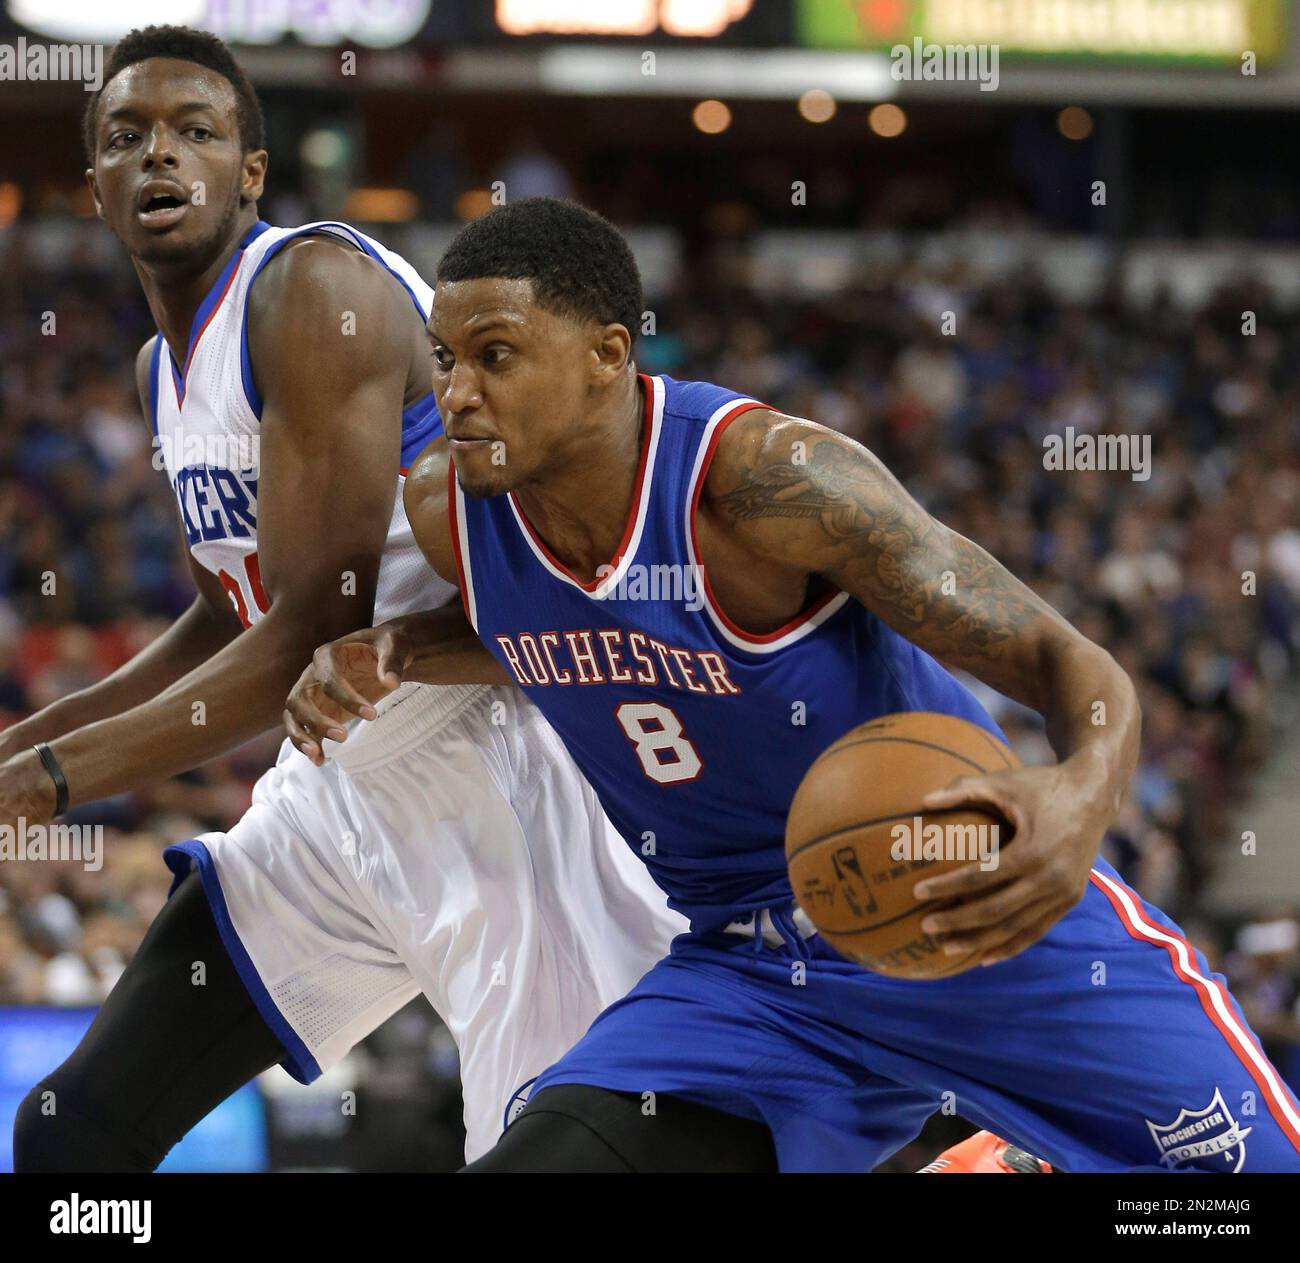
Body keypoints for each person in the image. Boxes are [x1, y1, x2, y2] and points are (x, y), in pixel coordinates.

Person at [289, 197, 1300, 1173]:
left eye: (494, 357)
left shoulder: (769, 483)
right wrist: (398, 646)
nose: (457, 394)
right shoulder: (452, 513)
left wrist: (1080, 799)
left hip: (971, 910)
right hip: (756, 971)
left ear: (606, 355)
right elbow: (537, 620)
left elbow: (1058, 657)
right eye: (445, 361)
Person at [8, 29, 683, 1172]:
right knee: (75, 1133)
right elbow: (233, 614)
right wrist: (20, 749)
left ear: (251, 173)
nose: (160, 156)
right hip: (336, 795)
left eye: (196, 133)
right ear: (95, 187)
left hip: (491, 772)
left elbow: (310, 636)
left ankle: (965, 1149)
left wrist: (47, 782)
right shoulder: (159, 370)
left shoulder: (314, 289)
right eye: (127, 139)